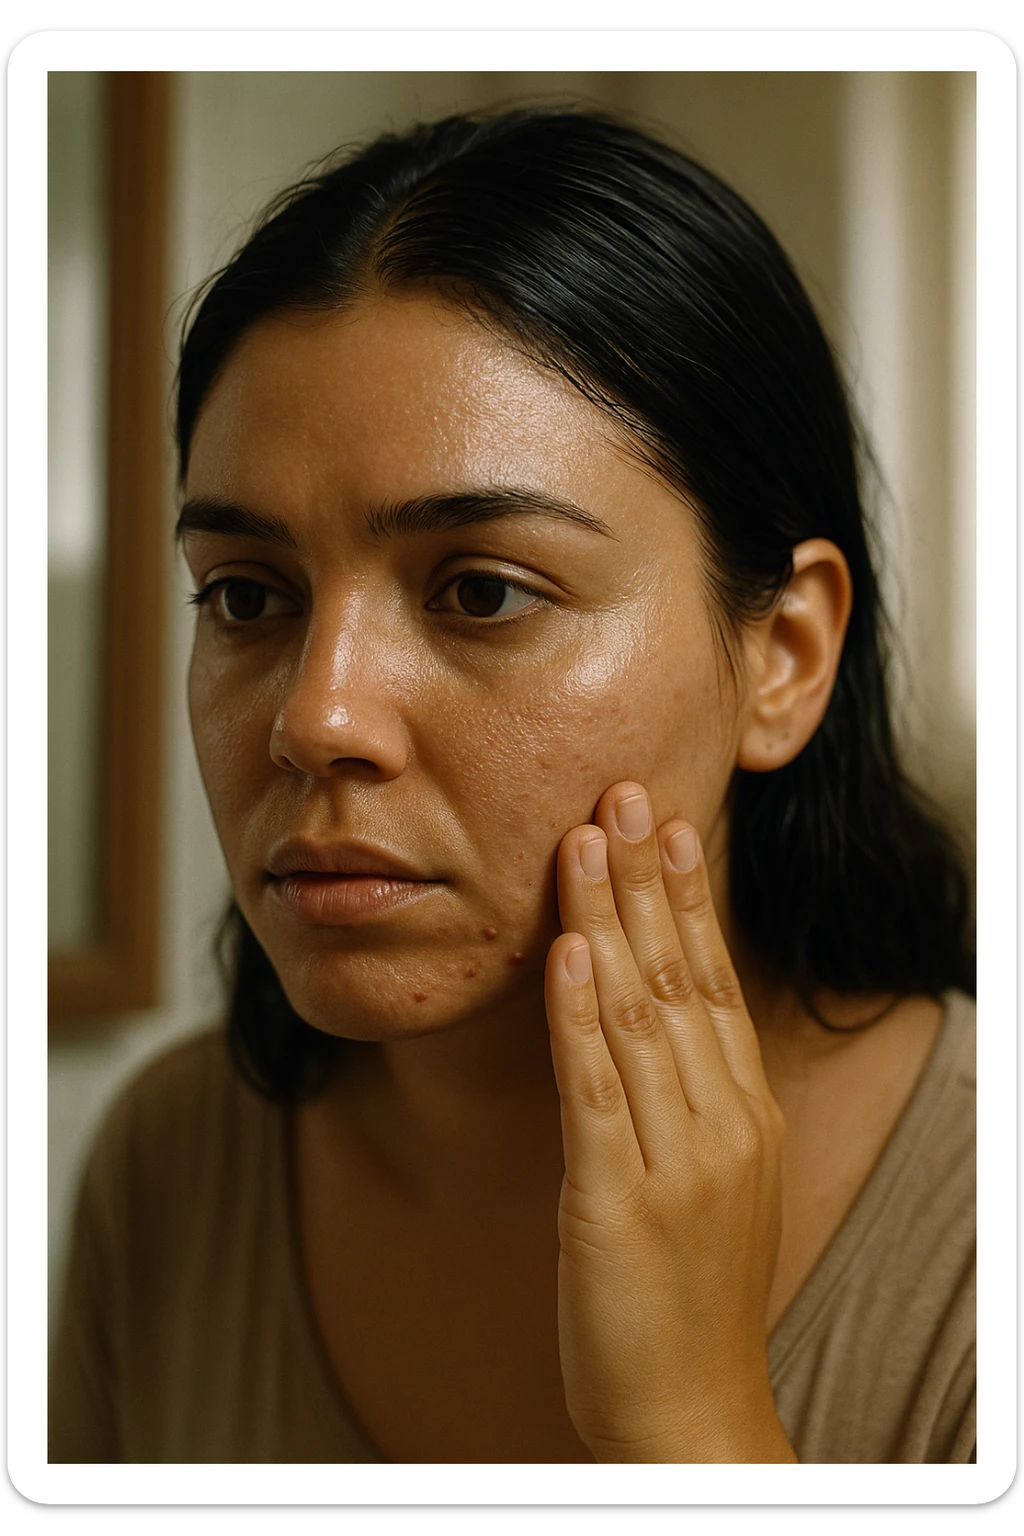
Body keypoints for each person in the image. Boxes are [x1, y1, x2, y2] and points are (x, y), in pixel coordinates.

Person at [49, 107, 975, 1465]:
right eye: (247, 595)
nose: (317, 718)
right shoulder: (176, 1162)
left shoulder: (972, 1243)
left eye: (482, 590)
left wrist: (691, 1423)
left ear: (783, 655)